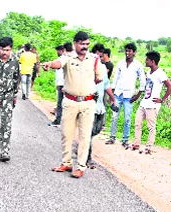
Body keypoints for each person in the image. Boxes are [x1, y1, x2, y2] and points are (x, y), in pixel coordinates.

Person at [43, 31, 107, 179]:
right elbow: (58, 64)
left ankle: (80, 167)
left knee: (84, 136)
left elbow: (98, 79)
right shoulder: (68, 57)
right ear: (75, 44)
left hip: (87, 103)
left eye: (87, 44)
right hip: (70, 101)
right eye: (82, 44)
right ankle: (66, 163)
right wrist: (50, 64)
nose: (85, 47)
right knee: (67, 133)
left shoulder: (94, 60)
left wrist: (85, 87)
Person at [131, 51, 171, 154]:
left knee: (151, 127)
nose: (145, 61)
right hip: (144, 103)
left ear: (153, 61)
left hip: (152, 105)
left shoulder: (160, 73)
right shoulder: (148, 73)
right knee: (137, 123)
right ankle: (136, 144)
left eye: (147, 60)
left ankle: (148, 147)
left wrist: (162, 99)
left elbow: (170, 86)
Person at [105, 42, 146, 148]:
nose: (127, 53)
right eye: (126, 50)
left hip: (129, 96)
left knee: (127, 119)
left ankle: (125, 140)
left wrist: (138, 95)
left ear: (134, 52)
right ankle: (112, 137)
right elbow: (115, 79)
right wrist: (111, 94)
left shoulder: (138, 66)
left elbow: (142, 81)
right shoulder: (120, 64)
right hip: (118, 94)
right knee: (114, 117)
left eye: (130, 51)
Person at [87, 45, 117, 169]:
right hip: (89, 103)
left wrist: (113, 99)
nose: (98, 57)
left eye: (100, 55)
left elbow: (106, 85)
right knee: (89, 131)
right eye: (96, 54)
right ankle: (87, 158)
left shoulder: (103, 68)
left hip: (100, 104)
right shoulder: (87, 67)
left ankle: (84, 145)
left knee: (98, 129)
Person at [49, 44, 66, 126]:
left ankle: (58, 120)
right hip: (61, 84)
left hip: (63, 84)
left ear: (61, 51)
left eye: (58, 51)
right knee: (62, 103)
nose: (57, 52)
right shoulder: (61, 59)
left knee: (61, 103)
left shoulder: (63, 60)